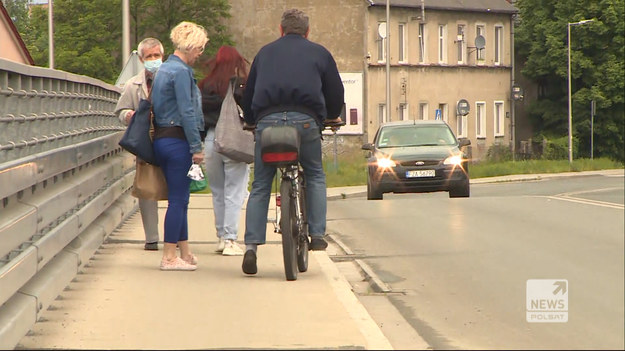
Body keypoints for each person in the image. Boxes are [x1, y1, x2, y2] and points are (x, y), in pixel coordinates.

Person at [240, 8, 344, 275]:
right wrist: (331, 115)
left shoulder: (264, 53)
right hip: (306, 122)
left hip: (267, 124)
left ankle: (251, 247)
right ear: (307, 31)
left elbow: (248, 93)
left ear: (280, 29)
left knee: (261, 183)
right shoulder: (320, 53)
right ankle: (318, 235)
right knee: (315, 173)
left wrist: (252, 120)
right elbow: (335, 91)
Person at [151, 21, 208, 271]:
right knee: (177, 200)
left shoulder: (163, 69)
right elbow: (186, 110)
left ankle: (183, 251)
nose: (200, 55)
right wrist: (196, 146)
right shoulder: (182, 72)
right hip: (178, 141)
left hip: (162, 139)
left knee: (181, 198)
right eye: (200, 49)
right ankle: (169, 257)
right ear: (192, 45)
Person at [198, 45, 250, 256]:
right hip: (232, 140)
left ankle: (220, 237)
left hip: (211, 140)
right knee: (234, 192)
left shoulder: (205, 85)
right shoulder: (241, 86)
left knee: (218, 191)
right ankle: (230, 240)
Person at [114, 37, 164, 251]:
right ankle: (151, 237)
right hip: (146, 141)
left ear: (163, 56)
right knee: (146, 188)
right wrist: (130, 116)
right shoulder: (132, 84)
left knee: (176, 187)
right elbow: (120, 111)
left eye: (157, 55)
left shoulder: (172, 78)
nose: (153, 60)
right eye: (149, 56)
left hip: (169, 137)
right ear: (142, 60)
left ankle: (176, 236)